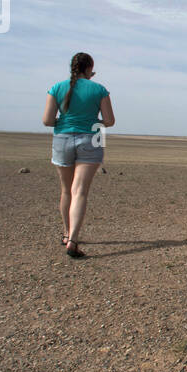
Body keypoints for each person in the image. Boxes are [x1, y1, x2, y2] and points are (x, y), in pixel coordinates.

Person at [42, 52, 114, 258]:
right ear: (90, 68)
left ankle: (66, 233)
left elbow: (47, 120)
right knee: (79, 191)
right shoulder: (99, 89)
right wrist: (91, 121)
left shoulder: (56, 88)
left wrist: (66, 123)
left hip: (62, 138)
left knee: (66, 190)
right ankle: (73, 239)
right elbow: (109, 120)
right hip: (91, 139)